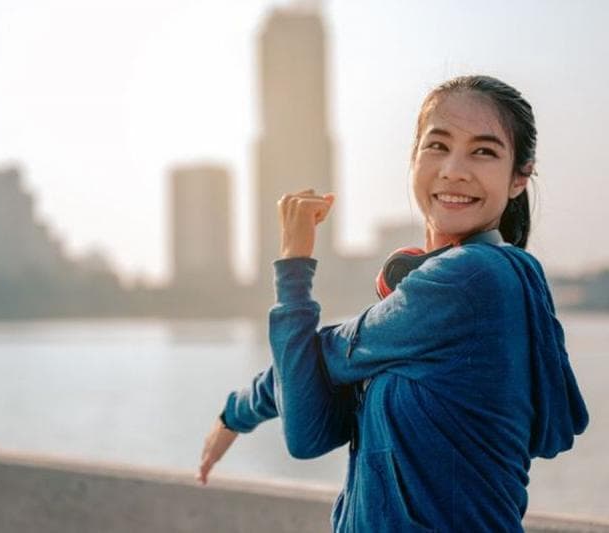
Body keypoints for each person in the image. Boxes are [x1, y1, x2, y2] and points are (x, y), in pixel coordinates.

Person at [197, 75, 589, 532]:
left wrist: (294, 261)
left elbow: (322, 355)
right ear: (413, 159)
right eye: (438, 146)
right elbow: (308, 429)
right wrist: (237, 413)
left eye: (483, 151)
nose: (454, 170)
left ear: (520, 177)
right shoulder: (429, 294)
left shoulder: (474, 278)